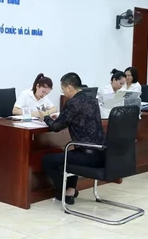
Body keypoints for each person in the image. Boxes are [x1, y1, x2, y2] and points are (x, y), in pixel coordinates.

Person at [40, 72, 105, 205]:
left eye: (63, 89)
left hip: (87, 156)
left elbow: (56, 127)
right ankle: (70, 192)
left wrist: (45, 117)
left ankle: (63, 191)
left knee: (48, 160)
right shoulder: (92, 100)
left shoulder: (72, 103)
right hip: (102, 153)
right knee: (71, 154)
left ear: (69, 87)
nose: (63, 93)